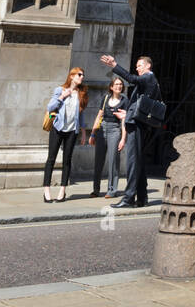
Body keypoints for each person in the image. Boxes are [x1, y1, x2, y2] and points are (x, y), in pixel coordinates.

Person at [100, 53, 162, 208]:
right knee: (138, 161)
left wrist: (115, 65)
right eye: (136, 66)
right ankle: (142, 198)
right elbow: (142, 105)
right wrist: (128, 114)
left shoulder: (148, 77)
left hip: (138, 125)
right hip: (137, 123)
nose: (137, 68)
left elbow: (132, 79)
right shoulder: (148, 81)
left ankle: (128, 198)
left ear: (148, 66)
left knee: (133, 162)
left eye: (139, 65)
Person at [42, 68, 88, 202]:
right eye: (79, 75)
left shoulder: (81, 93)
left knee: (67, 160)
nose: (82, 77)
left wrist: (83, 132)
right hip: (58, 128)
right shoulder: (60, 90)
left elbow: (82, 113)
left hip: (72, 131)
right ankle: (46, 190)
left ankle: (62, 191)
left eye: (83, 75)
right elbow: (50, 107)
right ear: (72, 76)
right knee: (51, 159)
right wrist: (62, 97)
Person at [89, 75, 129, 199]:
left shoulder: (124, 100)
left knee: (113, 161)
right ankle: (96, 189)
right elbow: (99, 116)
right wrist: (93, 133)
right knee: (98, 161)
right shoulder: (105, 98)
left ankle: (112, 190)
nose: (119, 86)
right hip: (102, 130)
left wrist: (123, 138)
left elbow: (124, 121)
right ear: (111, 87)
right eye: (116, 84)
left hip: (115, 130)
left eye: (120, 84)